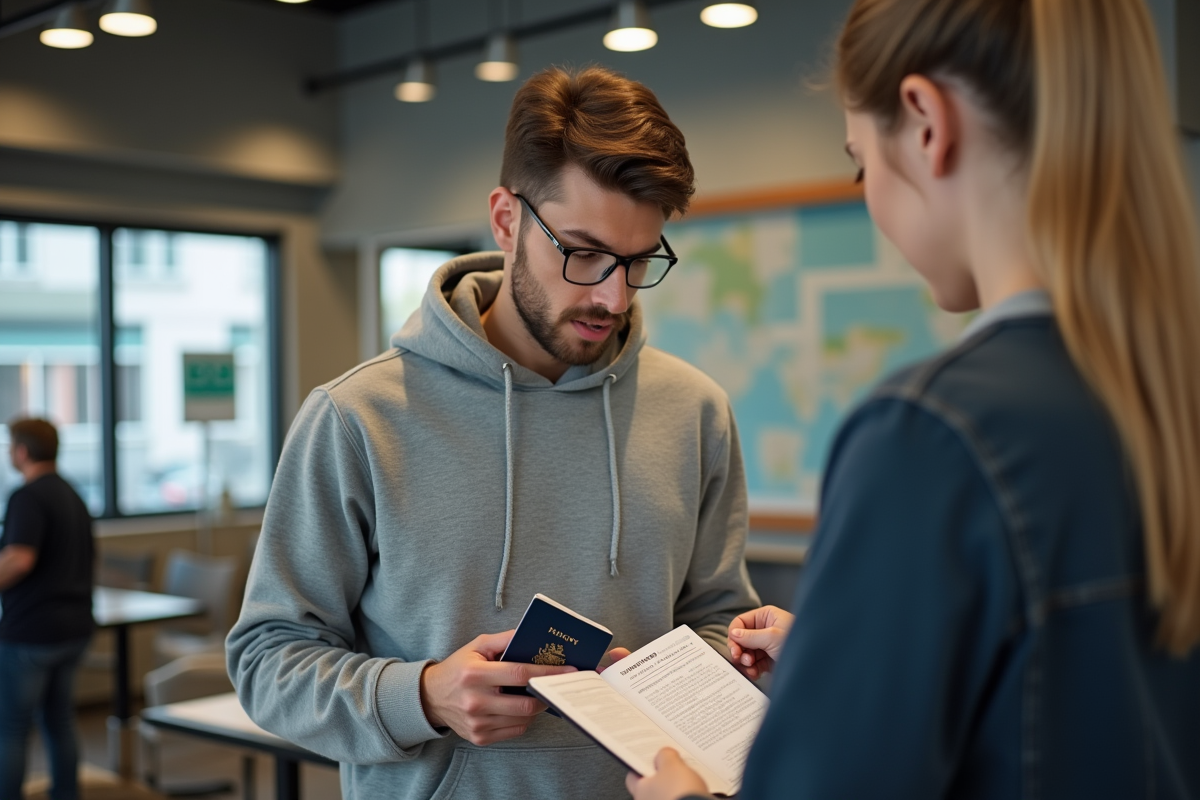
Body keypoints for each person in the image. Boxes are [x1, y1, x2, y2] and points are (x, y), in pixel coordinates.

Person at [626, 0, 1200, 798]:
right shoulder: (1163, 401)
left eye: (861, 163)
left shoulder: (932, 435)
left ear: (928, 124)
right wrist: (854, 648)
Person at [227, 65, 759, 800]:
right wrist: (423, 696)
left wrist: (717, 667)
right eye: (583, 253)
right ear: (507, 221)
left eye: (639, 262)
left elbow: (716, 618)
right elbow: (267, 660)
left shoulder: (695, 410)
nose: (612, 296)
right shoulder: (357, 417)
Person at [0, 417, 95, 800]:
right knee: (59, 720)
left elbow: (19, 559)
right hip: (74, 629)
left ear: (22, 451)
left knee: (11, 728)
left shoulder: (27, 496)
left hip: (32, 633)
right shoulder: (72, 493)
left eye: (11, 446)